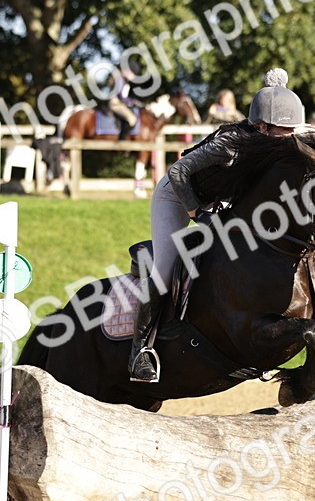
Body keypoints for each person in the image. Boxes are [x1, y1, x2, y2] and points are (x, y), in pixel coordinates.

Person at [128, 67, 304, 383]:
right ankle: (140, 351)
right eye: (285, 131)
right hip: (177, 195)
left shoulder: (274, 140)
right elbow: (179, 171)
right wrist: (196, 212)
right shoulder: (231, 143)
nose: (291, 137)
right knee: (165, 271)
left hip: (216, 200)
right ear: (262, 127)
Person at [107, 66, 139, 140]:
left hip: (120, 104)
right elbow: (121, 97)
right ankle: (122, 140)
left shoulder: (124, 80)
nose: (134, 77)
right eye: (133, 74)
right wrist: (132, 101)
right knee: (132, 119)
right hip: (115, 104)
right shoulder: (120, 80)